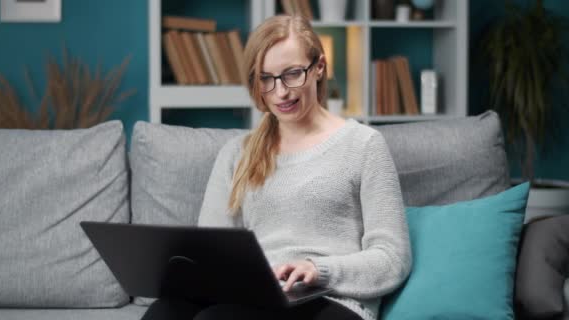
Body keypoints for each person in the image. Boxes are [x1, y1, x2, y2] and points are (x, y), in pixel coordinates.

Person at [142, 14, 411, 320]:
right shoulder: (236, 154)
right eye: (266, 79)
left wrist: (319, 270)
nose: (280, 92)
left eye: (292, 74)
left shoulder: (363, 145)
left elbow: (393, 259)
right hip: (256, 295)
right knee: (165, 311)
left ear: (319, 67)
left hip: (330, 300)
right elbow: (210, 255)